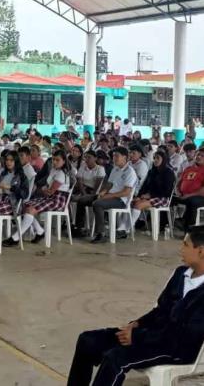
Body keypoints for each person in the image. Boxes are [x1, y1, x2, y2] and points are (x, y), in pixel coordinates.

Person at [67, 226, 204, 386]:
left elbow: (187, 335)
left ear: (201, 251)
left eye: (185, 245)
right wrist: (137, 324)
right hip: (153, 335)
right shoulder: (181, 274)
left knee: (116, 357)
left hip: (177, 349)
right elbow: (160, 310)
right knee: (88, 340)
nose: (181, 249)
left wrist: (138, 337)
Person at [4, 150, 72, 246]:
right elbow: (46, 188)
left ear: (64, 161)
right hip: (50, 198)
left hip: (57, 200)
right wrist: (44, 189)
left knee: (31, 209)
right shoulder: (54, 170)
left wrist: (43, 190)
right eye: (53, 159)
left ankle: (16, 238)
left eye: (58, 160)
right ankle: (40, 232)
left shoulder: (61, 174)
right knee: (25, 206)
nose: (55, 162)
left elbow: (50, 192)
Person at [89, 147, 138, 243]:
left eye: (117, 156)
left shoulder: (130, 172)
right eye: (113, 156)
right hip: (110, 196)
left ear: (124, 157)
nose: (114, 158)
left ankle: (101, 234)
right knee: (83, 200)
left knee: (97, 204)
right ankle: (78, 226)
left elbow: (126, 192)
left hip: (120, 200)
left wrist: (108, 196)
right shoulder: (115, 168)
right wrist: (103, 191)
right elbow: (109, 184)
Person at [131, 150, 176, 229]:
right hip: (151, 196)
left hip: (163, 198)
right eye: (154, 158)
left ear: (163, 160)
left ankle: (128, 227)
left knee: (138, 205)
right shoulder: (151, 171)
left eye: (158, 158)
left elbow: (167, 191)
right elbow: (144, 186)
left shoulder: (168, 172)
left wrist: (150, 195)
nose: (155, 160)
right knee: (133, 202)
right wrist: (139, 196)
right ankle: (128, 225)